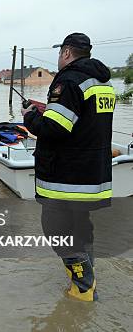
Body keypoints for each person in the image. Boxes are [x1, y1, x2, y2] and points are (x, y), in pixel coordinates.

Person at [22, 32, 114, 302]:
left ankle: (83, 288)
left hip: (66, 176)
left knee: (56, 229)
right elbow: (83, 123)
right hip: (92, 175)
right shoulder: (102, 83)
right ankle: (88, 277)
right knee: (81, 227)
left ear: (66, 53)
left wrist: (30, 118)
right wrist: (46, 111)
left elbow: (55, 128)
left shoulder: (69, 80)